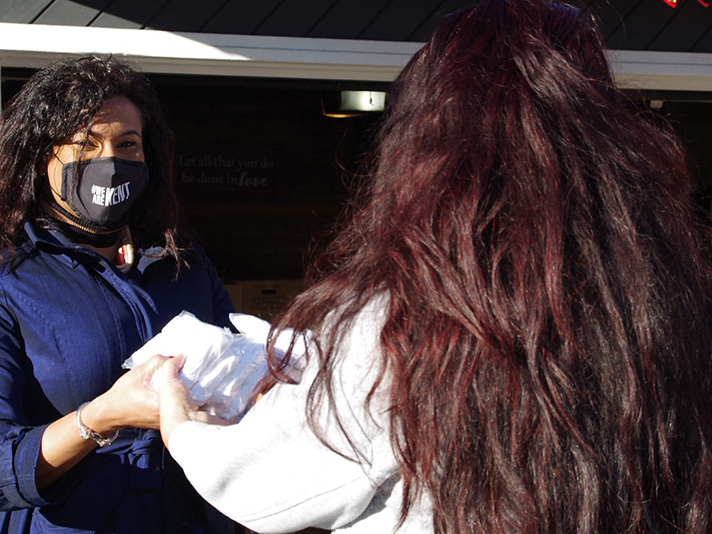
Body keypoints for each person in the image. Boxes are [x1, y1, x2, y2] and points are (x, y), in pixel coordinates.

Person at [156, 1, 712, 533]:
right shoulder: (667, 301)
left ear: (433, 136)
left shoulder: (407, 322)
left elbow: (256, 484)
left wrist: (176, 415)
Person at [0, 56, 236, 533]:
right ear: (41, 157)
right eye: (85, 143)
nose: (109, 159)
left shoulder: (184, 264)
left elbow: (238, 370)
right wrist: (101, 417)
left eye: (127, 144)